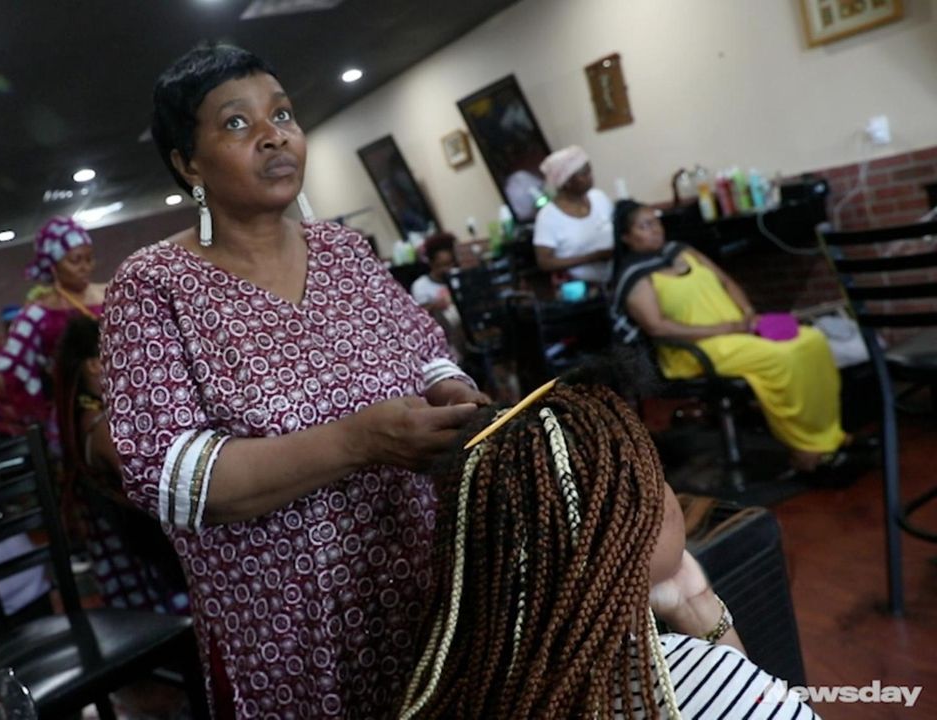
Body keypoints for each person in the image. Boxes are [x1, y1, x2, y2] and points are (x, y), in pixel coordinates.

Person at [103, 43, 487, 718]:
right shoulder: (154, 286)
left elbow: (426, 352)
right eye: (237, 123)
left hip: (420, 578)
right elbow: (171, 478)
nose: (275, 134)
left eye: (282, 114)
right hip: (286, 629)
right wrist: (357, 441)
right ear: (187, 164)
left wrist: (454, 397)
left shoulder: (344, 251)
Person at [401, 379, 818, 719]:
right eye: (656, 480)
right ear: (627, 527)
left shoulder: (454, 681)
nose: (673, 494)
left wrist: (695, 605)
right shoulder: (692, 683)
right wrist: (711, 626)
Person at [610, 199, 849, 474]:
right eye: (644, 226)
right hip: (694, 351)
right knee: (782, 356)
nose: (655, 229)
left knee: (811, 340)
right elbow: (658, 327)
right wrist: (724, 329)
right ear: (627, 238)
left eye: (656, 222)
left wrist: (748, 313)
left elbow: (725, 281)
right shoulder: (635, 277)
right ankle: (804, 448)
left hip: (738, 332)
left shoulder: (682, 251)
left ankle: (830, 434)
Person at [53, 315, 190, 615]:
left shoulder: (91, 418)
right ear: (94, 364)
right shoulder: (100, 429)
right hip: (152, 578)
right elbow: (159, 486)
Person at [0, 215, 104, 428]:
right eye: (75, 260)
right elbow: (10, 377)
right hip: (75, 414)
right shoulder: (37, 314)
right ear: (53, 266)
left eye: (89, 259)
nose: (85, 267)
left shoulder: (109, 293)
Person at [532, 145, 615, 283]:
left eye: (590, 171)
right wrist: (592, 258)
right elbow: (545, 262)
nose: (590, 177)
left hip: (615, 276)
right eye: (584, 174)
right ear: (567, 182)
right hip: (580, 287)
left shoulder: (599, 197)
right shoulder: (548, 217)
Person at [410, 233, 464, 361]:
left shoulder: (458, 278)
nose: (447, 269)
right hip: (444, 334)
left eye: (450, 264)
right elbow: (420, 316)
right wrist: (435, 305)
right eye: (442, 265)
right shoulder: (421, 286)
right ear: (432, 263)